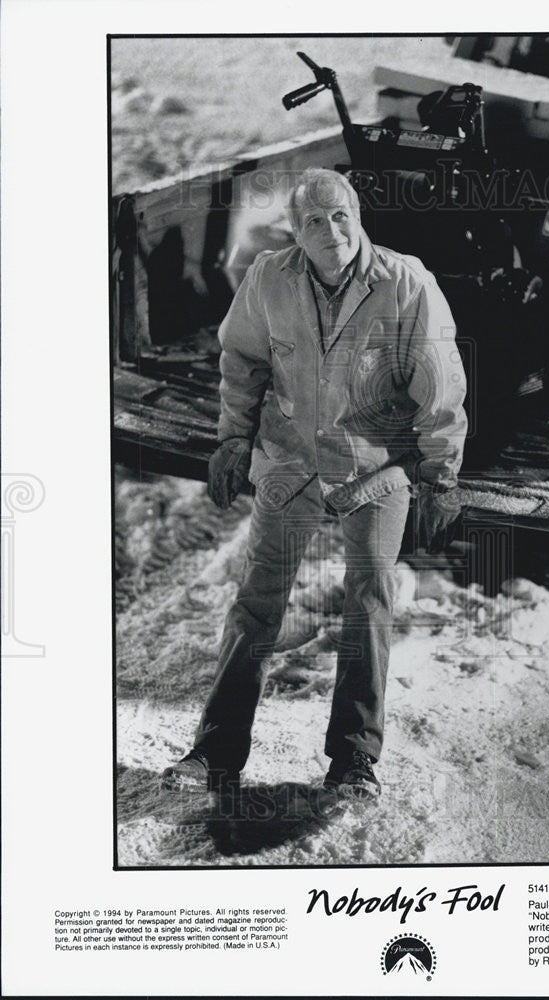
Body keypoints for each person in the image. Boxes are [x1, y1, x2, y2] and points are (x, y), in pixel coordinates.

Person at [160, 168, 467, 800]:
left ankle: (354, 760)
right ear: (294, 234)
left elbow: (440, 389)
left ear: (358, 216)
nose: (331, 231)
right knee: (257, 602)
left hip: (376, 465)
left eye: (340, 216)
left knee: (370, 599)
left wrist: (441, 476)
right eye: (313, 222)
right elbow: (242, 360)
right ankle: (215, 751)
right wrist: (233, 439)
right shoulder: (270, 278)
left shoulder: (407, 284)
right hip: (291, 461)